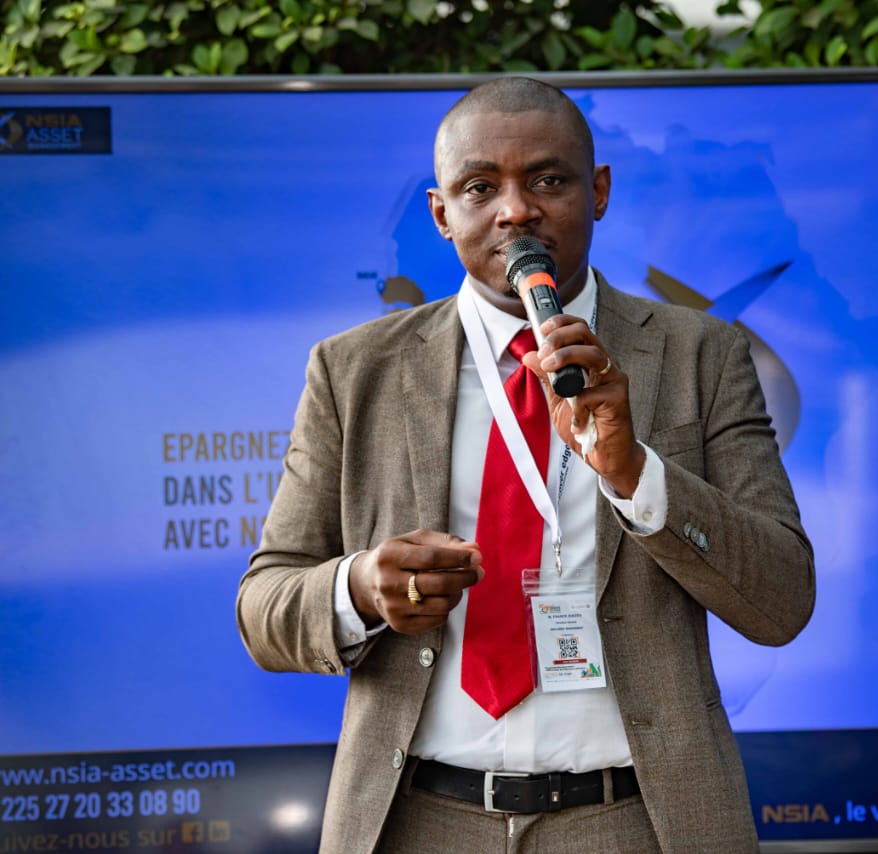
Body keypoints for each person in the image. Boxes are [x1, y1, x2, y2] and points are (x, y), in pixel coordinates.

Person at [237, 76, 815, 854]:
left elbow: (782, 601)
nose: (516, 211)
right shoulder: (354, 370)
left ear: (598, 191)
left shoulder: (699, 355)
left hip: (634, 822)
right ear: (441, 214)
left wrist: (635, 476)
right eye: (480, 188)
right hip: (419, 820)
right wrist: (362, 587)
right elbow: (265, 609)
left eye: (547, 180)